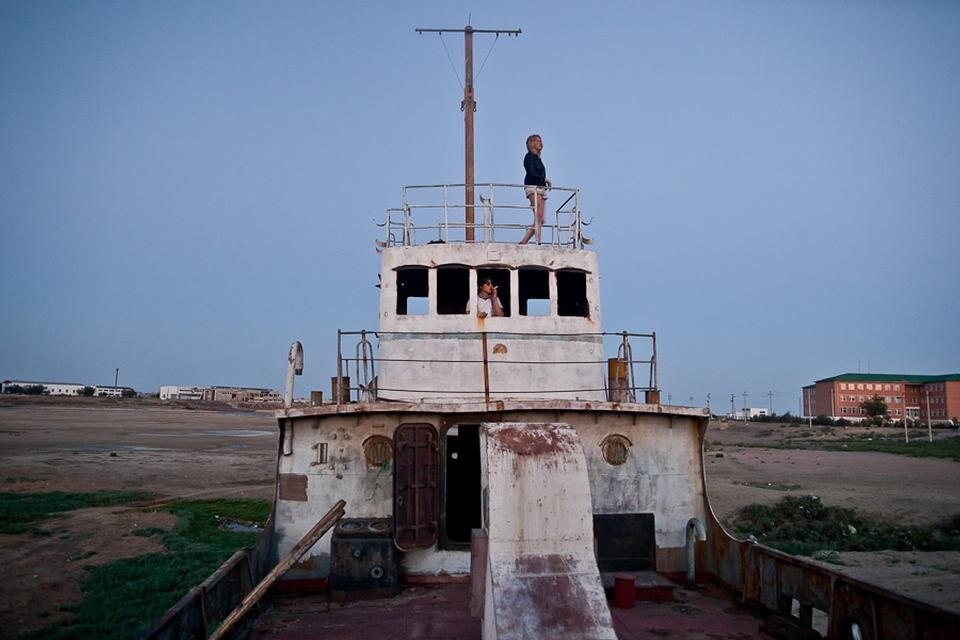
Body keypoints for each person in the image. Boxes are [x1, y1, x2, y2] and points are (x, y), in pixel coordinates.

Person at [520, 133, 550, 245]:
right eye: (537, 140)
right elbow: (532, 173)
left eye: (540, 140)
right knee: (538, 215)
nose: (540, 143)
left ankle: (525, 241)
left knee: (542, 219)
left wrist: (544, 181)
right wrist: (544, 180)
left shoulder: (538, 159)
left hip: (541, 187)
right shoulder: (529, 157)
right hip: (532, 187)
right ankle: (537, 241)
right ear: (531, 143)